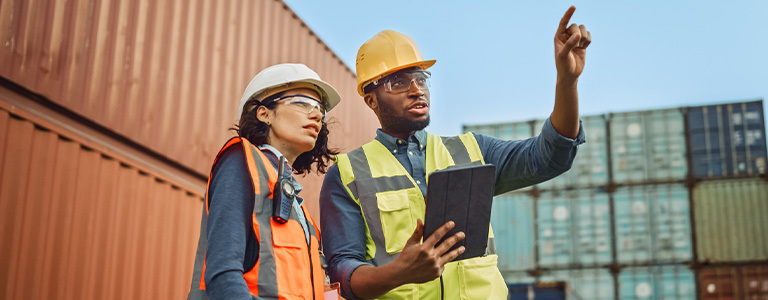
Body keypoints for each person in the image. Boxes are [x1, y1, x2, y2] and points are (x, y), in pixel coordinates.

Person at [320, 6, 591, 300]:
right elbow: (342, 274)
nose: (416, 89)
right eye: (398, 82)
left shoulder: (472, 150)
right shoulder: (347, 174)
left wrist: (567, 81)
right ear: (371, 100)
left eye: (421, 78)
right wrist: (399, 272)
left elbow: (549, 158)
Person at [187, 63, 341, 300]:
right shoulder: (241, 159)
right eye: (302, 102)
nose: (318, 114)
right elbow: (223, 274)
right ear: (264, 113)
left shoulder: (301, 212)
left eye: (320, 108)